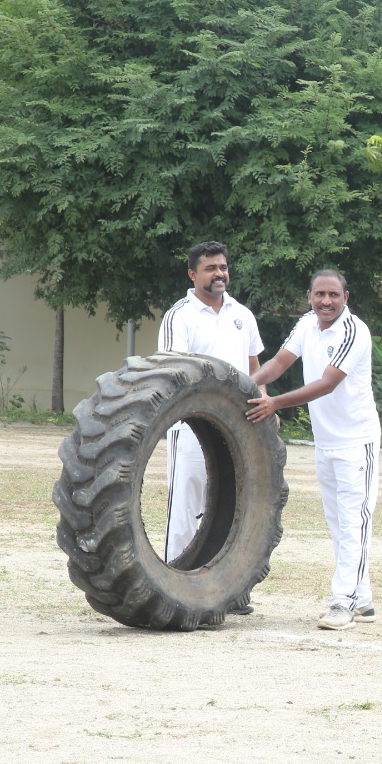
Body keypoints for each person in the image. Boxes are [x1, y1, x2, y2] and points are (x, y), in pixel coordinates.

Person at [247, 270, 381, 631]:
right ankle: (362, 599)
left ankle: (342, 602)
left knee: (353, 523)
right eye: (319, 294)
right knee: (339, 523)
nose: (326, 301)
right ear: (309, 296)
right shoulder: (307, 324)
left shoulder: (354, 331)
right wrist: (243, 383)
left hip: (356, 442)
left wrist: (275, 403)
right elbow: (278, 364)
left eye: (333, 295)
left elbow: (327, 384)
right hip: (326, 442)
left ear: (346, 297)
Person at [158, 241, 263, 573]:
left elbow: (255, 368)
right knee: (186, 504)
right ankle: (176, 578)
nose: (220, 274)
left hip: (238, 428)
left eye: (223, 267)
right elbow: (175, 372)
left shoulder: (242, 315)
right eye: (211, 268)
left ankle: (225, 585)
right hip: (192, 427)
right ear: (192, 274)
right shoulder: (180, 316)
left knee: (234, 504)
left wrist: (265, 402)